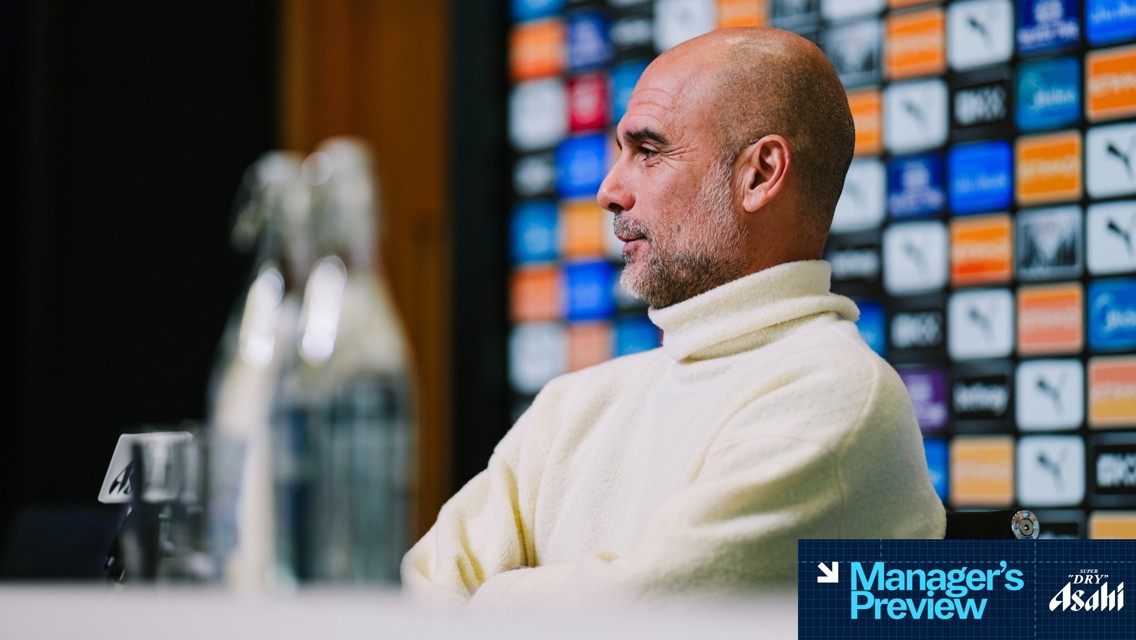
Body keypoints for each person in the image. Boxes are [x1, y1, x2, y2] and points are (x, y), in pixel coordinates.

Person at [401, 26, 945, 610]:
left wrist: (489, 598)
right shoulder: (573, 408)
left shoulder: (837, 395)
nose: (609, 190)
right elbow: (414, 603)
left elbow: (644, 616)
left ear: (759, 174)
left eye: (649, 151)